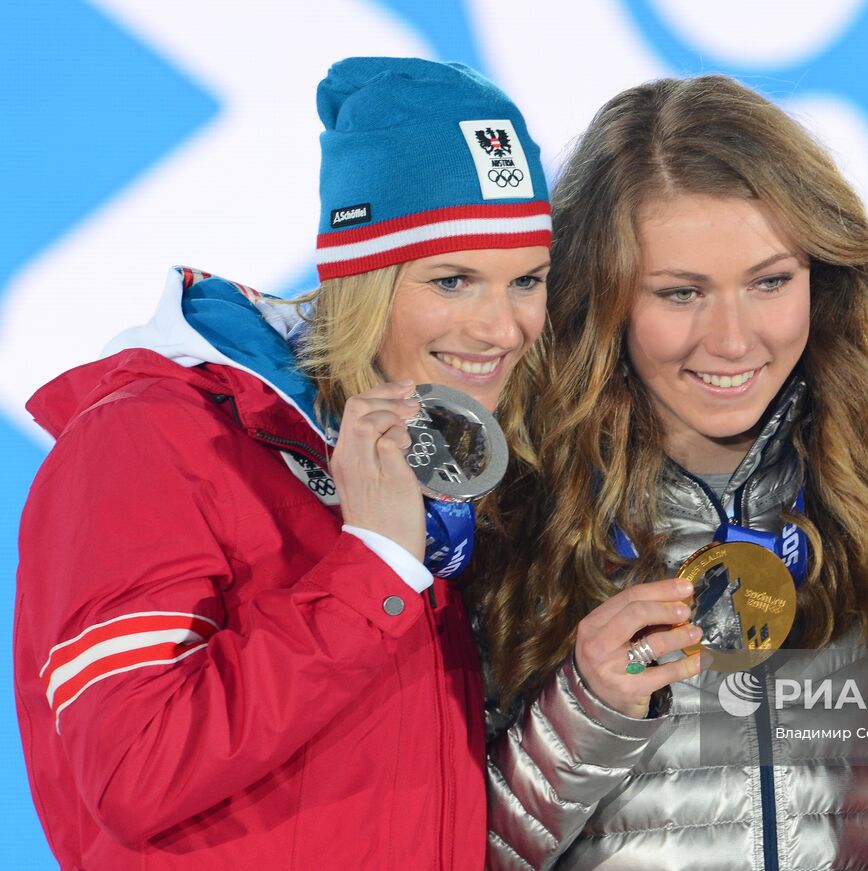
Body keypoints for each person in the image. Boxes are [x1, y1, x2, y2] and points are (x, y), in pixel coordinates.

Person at [13, 57, 551, 869]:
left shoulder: (420, 455)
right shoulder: (149, 439)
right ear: (361, 275)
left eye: (528, 280)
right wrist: (371, 567)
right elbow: (133, 770)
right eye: (453, 279)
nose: (502, 327)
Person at [472, 75, 868, 870]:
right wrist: (587, 707)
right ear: (598, 297)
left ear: (825, 274)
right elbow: (436, 847)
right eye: (681, 293)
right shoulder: (504, 517)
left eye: (770, 282)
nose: (734, 341)